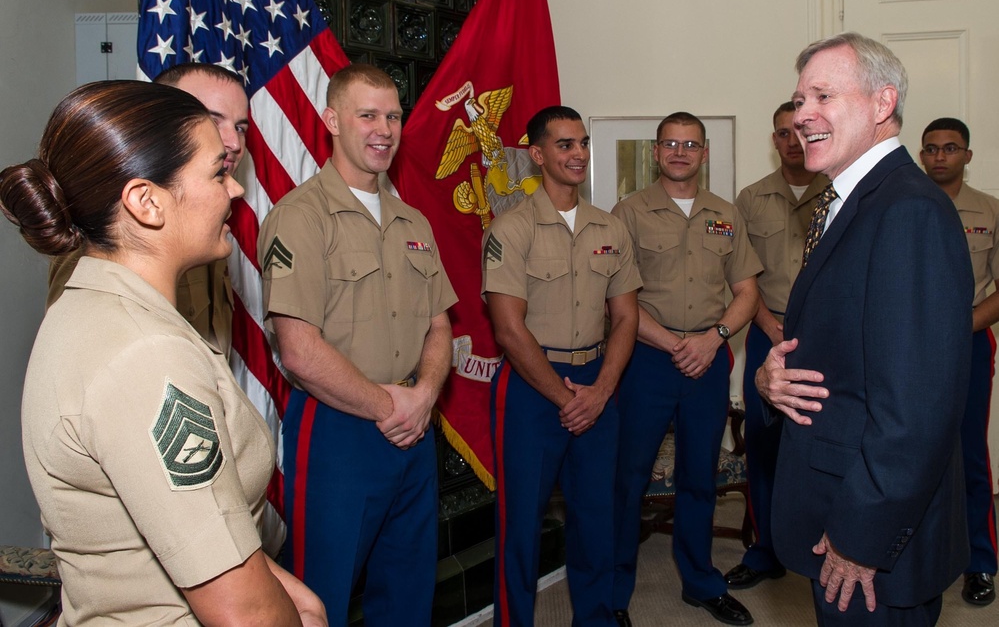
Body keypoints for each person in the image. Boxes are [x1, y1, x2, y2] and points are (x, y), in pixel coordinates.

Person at [0, 80, 326, 625]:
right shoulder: (144, 355)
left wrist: (298, 599)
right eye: (217, 173)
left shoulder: (103, 305)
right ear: (147, 202)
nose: (236, 190)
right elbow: (239, 611)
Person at [757, 33, 973, 626]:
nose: (803, 116)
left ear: (883, 104)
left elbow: (919, 408)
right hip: (838, 506)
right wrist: (770, 378)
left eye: (824, 95)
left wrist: (861, 538)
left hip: (870, 542)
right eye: (799, 100)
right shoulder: (853, 201)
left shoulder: (908, 210)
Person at [257, 63, 457, 626]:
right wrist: (391, 406)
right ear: (332, 120)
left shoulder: (413, 220)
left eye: (393, 116)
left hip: (413, 430)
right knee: (320, 596)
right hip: (337, 432)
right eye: (367, 114)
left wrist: (424, 397)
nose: (384, 129)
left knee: (408, 589)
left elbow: (440, 326)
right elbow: (298, 349)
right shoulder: (300, 218)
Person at [482, 105, 641, 626]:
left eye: (582, 144)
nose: (578, 155)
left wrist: (599, 391)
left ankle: (595, 617)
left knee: (598, 517)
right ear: (537, 154)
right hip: (532, 388)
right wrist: (565, 397)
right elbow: (508, 328)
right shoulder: (512, 228)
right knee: (522, 522)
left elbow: (625, 318)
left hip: (597, 381)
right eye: (565, 145)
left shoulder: (610, 228)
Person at [612, 111, 762, 627]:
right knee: (627, 478)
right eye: (670, 143)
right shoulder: (628, 212)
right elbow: (619, 297)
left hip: (708, 361)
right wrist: (677, 344)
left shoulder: (725, 214)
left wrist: (712, 339)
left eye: (691, 144)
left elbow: (747, 292)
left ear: (703, 153)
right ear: (655, 152)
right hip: (647, 361)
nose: (680, 152)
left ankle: (701, 583)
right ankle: (613, 595)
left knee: (700, 476)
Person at [46, 63, 249, 359]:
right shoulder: (104, 234)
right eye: (211, 118)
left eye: (240, 127)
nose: (233, 142)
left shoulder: (203, 229)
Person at [726, 102, 827, 590]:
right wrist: (770, 328)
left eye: (800, 131)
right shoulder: (750, 199)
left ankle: (824, 546)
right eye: (783, 133)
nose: (793, 140)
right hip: (767, 337)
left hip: (828, 340)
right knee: (763, 449)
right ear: (774, 139)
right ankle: (765, 550)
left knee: (825, 447)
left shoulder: (840, 190)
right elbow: (741, 278)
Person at [919, 117, 999, 607]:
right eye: (931, 149)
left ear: (968, 156)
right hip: (910, 348)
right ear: (921, 155)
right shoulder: (905, 206)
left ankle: (980, 562)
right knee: (913, 451)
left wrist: (959, 327)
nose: (941, 156)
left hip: (968, 342)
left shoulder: (989, 211)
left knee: (969, 452)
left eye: (951, 148)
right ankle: (919, 555)